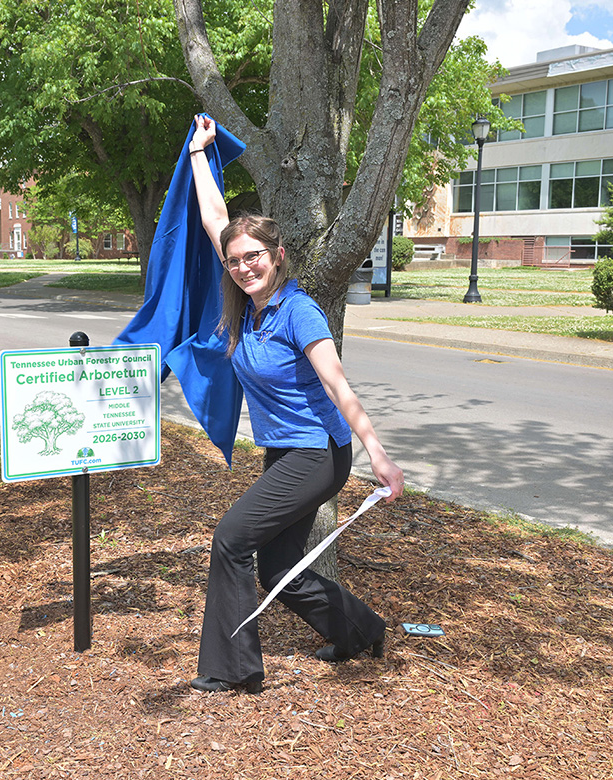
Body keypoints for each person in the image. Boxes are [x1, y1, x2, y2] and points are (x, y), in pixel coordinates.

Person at [185, 115, 406, 694]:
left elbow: (338, 386)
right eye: (235, 260)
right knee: (277, 566)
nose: (243, 266)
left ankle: (232, 670)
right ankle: (360, 631)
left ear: (277, 255)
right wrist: (198, 155)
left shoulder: (298, 311)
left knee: (231, 538)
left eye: (253, 255)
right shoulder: (249, 306)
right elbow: (215, 221)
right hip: (286, 451)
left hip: (319, 453)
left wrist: (378, 455)